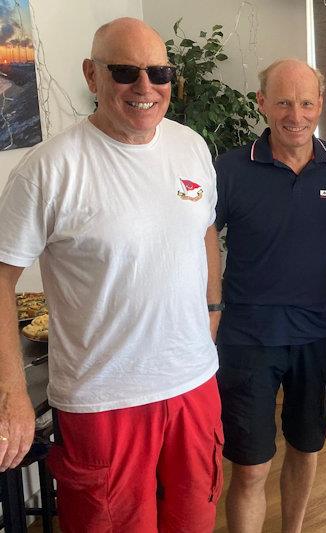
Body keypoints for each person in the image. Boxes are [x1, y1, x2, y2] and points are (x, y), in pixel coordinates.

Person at [0, 18, 223, 531]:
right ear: (92, 75)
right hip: (104, 400)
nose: (145, 87)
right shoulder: (50, 168)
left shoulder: (190, 146)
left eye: (159, 71)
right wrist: (12, 392)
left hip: (193, 385)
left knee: (196, 519)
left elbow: (204, 229)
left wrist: (212, 309)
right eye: (124, 71)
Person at [213, 58, 326, 533]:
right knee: (251, 466)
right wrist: (208, 309)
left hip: (316, 334)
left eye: (306, 103)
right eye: (283, 102)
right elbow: (200, 240)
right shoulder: (229, 168)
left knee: (306, 448)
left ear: (320, 104)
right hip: (245, 339)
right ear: (262, 104)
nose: (295, 114)